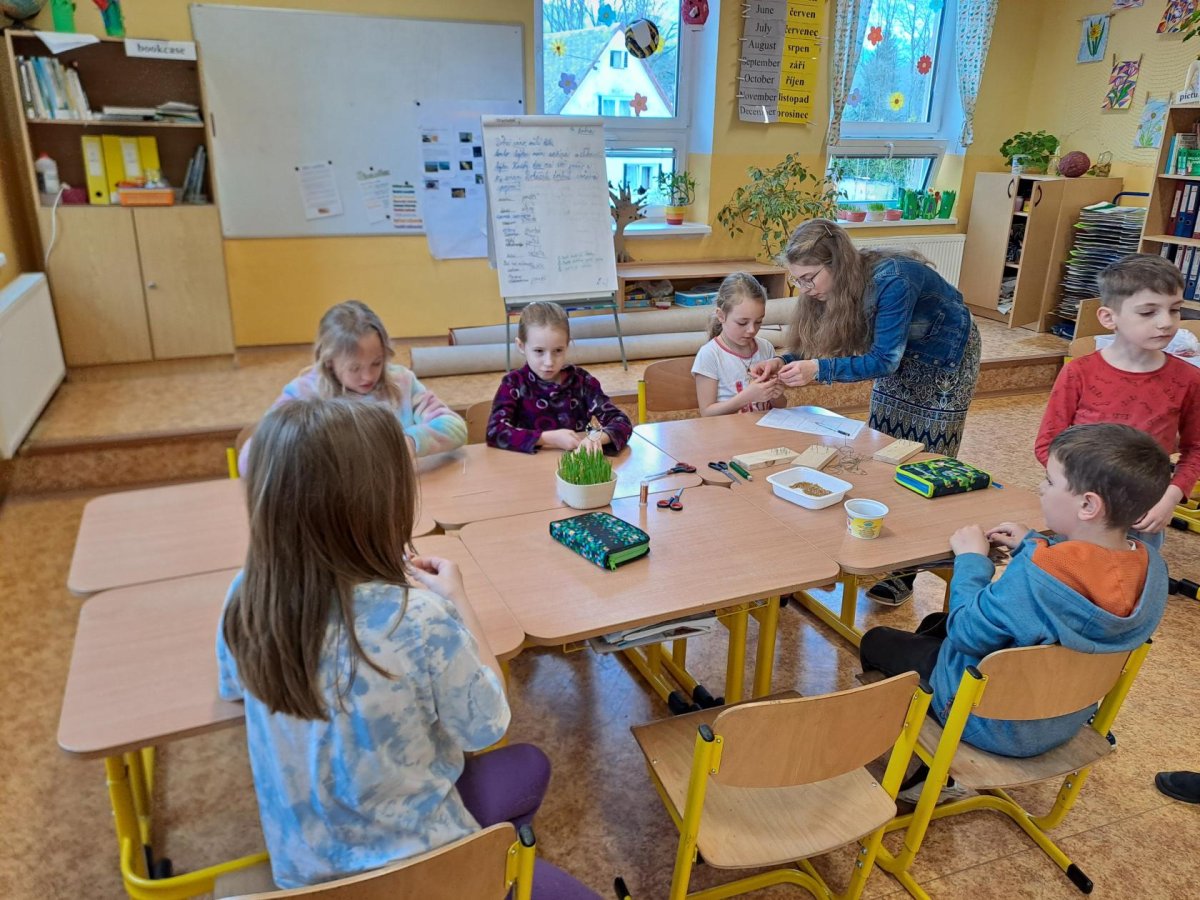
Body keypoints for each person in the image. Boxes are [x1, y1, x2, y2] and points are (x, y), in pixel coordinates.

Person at [217, 397, 596, 898]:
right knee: (529, 769)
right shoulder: (418, 618)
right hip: (429, 880)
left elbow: (233, 689)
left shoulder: (246, 596)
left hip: (305, 878)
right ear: (383, 504)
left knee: (527, 768)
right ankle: (492, 861)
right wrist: (457, 599)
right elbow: (487, 727)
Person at [859, 424, 1169, 799]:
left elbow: (966, 631)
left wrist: (972, 561)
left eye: (1050, 481)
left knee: (878, 640)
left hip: (990, 722)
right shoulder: (1152, 569)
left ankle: (936, 767)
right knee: (934, 623)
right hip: (1062, 716)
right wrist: (1033, 544)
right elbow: (1083, 572)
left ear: (1088, 505)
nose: (1041, 488)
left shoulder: (1038, 577)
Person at [751, 219, 981, 606]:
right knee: (883, 451)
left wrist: (817, 371)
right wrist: (785, 361)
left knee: (927, 463)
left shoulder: (894, 279)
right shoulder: (831, 287)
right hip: (897, 357)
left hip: (943, 361)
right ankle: (881, 548)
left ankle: (906, 572)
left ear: (837, 263)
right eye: (797, 280)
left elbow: (883, 361)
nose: (805, 289)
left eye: (809, 278)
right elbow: (825, 344)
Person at [1035, 254, 1200, 550]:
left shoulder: (1188, 379)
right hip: (1080, 508)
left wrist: (1171, 496)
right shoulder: (1079, 372)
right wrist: (1073, 489)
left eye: (1175, 310)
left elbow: (1196, 448)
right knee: (1069, 571)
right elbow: (1048, 443)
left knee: (1134, 575)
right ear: (1109, 318)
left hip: (1143, 509)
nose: (1166, 322)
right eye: (1148, 312)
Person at [238, 300, 466, 473]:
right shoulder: (304, 393)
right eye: (354, 368)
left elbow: (455, 427)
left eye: (377, 363)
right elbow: (250, 459)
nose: (368, 376)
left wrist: (408, 442)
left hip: (398, 498)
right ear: (329, 361)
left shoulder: (400, 382)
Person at [486, 301, 632, 454]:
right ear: (521, 346)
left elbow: (621, 422)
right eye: (539, 351)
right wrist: (547, 438)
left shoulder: (582, 382)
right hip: (528, 465)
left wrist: (597, 437)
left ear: (567, 345)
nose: (549, 362)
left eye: (558, 350)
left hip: (574, 464)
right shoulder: (513, 384)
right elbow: (494, 431)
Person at [692, 272, 785, 416]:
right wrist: (747, 397)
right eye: (742, 322)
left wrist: (775, 394)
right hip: (728, 430)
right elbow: (707, 413)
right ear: (721, 316)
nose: (752, 330)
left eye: (758, 321)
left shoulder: (766, 348)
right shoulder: (710, 354)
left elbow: (781, 405)